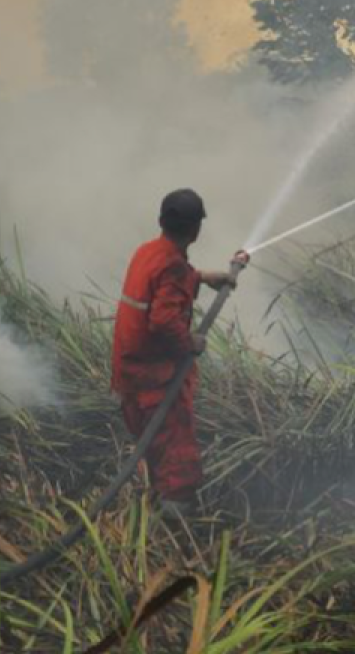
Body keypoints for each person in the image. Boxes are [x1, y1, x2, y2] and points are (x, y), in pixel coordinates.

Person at [110, 188, 245, 507]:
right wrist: (191, 342)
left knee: (154, 445)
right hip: (153, 378)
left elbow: (163, 282)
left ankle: (157, 501)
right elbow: (163, 320)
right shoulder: (173, 268)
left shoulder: (147, 252)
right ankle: (174, 522)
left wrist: (199, 278)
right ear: (196, 230)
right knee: (177, 458)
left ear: (161, 221)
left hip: (129, 369)